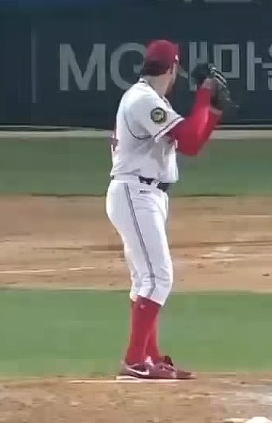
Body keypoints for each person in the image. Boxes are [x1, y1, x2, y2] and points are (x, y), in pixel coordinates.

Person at [105, 39, 233, 380]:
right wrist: (203, 96)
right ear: (173, 69)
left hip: (146, 195)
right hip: (136, 193)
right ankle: (135, 360)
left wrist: (212, 111)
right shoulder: (143, 100)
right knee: (159, 277)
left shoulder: (153, 100)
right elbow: (188, 141)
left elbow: (193, 142)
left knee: (146, 279)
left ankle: (149, 356)